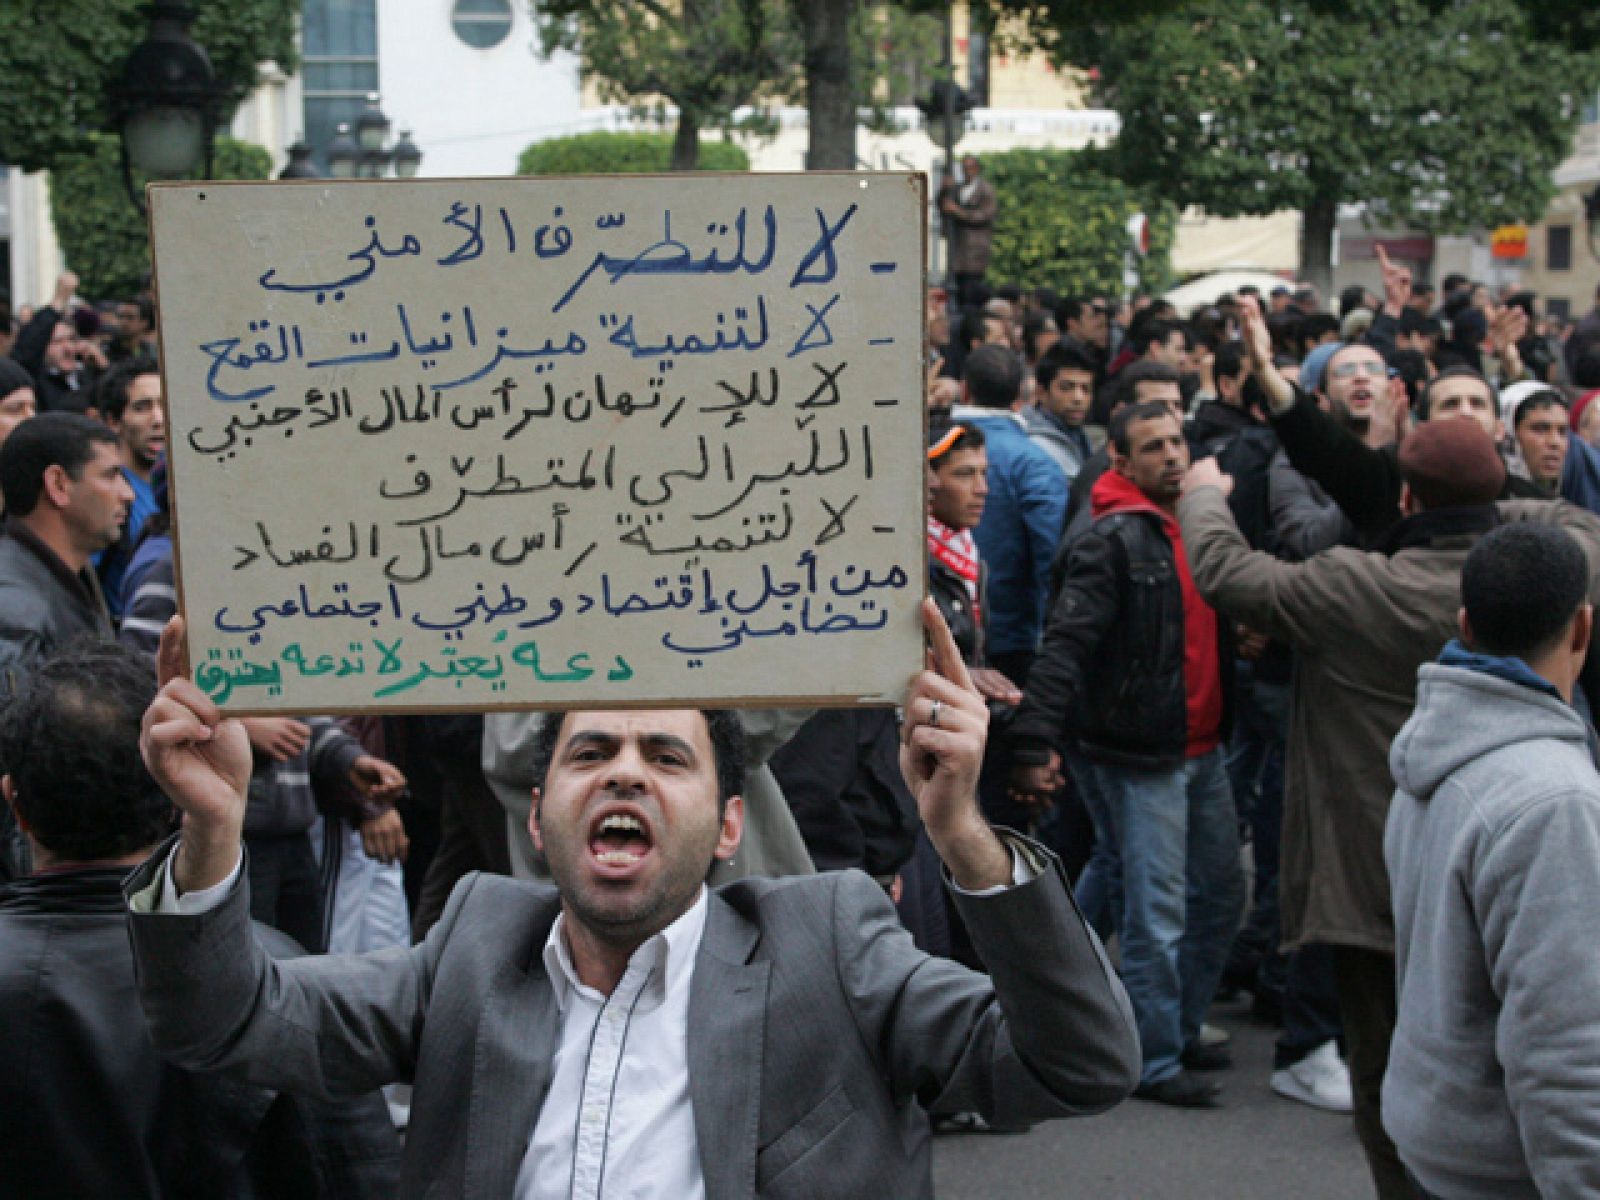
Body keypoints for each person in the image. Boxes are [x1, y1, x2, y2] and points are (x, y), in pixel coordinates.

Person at [126, 605, 1139, 1197]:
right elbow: (224, 1020)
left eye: (665, 755)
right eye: (590, 752)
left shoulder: (829, 946)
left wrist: (961, 834)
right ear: (537, 817)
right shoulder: (472, 948)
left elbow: (1081, 1063)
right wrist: (211, 829)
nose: (625, 772)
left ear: (730, 826)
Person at [1177, 413, 1600, 1200]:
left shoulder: (1353, 587)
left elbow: (1225, 570)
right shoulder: (1562, 577)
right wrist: (1480, 500)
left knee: (1388, 1067)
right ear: (1578, 627)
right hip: (1498, 879)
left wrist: (1202, 494)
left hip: (1368, 872)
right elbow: (1570, 517)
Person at [0, 642, 401, 1198]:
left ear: (14, 805)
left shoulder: (266, 976)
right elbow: (358, 1171)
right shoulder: (274, 978)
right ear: (173, 791)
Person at [1009, 401, 1244, 1108]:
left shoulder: (1194, 521)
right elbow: (1065, 646)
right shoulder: (1109, 538)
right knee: (1156, 910)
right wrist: (1033, 742)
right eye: (1153, 447)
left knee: (1211, 893)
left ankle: (1153, 1021)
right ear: (1120, 459)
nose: (1172, 456)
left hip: (1200, 746)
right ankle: (1154, 1056)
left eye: (1177, 443)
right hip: (1141, 754)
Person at [1384, 524, 1600, 1198]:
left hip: (1437, 1145)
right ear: (1582, 627)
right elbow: (1568, 1047)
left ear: (1466, 625)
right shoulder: (1554, 801)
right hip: (1505, 1170)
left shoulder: (1432, 753)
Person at [949, 344, 1067, 686]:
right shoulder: (1036, 463)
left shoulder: (929, 450)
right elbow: (1054, 559)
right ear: (1020, 398)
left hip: (939, 637)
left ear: (965, 390)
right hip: (1012, 640)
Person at [0, 412, 128, 680]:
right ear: (58, 484)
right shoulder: (15, 607)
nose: (128, 494)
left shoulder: (67, 576)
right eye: (110, 475)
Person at [95, 357, 165, 611]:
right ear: (113, 421)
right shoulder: (105, 494)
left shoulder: (184, 490)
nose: (158, 419)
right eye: (142, 407)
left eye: (164, 404)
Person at [1024, 342, 1100, 485]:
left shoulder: (1080, 437)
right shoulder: (1032, 444)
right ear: (1041, 392)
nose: (1078, 398)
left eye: (1086, 389)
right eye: (1066, 387)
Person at [939, 155, 998, 307]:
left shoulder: (985, 189)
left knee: (971, 290)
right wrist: (944, 190)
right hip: (958, 250)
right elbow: (943, 206)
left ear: (977, 169)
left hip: (975, 251)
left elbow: (985, 215)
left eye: (970, 168)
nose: (967, 171)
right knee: (956, 289)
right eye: (964, 168)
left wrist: (958, 211)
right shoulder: (958, 188)